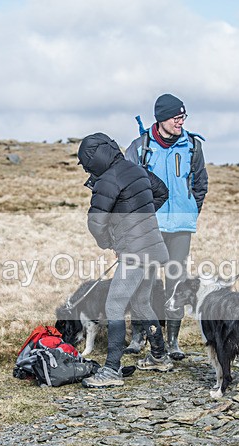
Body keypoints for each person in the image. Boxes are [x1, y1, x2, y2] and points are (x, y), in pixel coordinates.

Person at [78, 133, 171, 387]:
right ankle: (160, 357)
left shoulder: (106, 180)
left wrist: (110, 241)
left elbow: (96, 223)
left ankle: (111, 370)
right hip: (152, 249)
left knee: (114, 305)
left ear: (92, 160)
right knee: (141, 302)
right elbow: (161, 191)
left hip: (135, 252)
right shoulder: (136, 170)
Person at [126, 93, 208, 360]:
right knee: (144, 282)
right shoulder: (139, 147)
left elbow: (200, 183)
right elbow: (127, 186)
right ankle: (140, 336)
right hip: (150, 227)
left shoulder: (193, 146)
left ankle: (173, 341)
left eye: (183, 117)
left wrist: (191, 210)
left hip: (181, 228)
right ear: (161, 119)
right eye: (176, 117)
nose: (180, 122)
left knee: (176, 283)